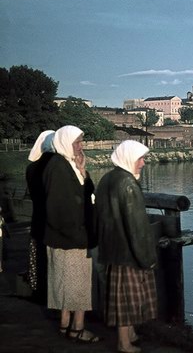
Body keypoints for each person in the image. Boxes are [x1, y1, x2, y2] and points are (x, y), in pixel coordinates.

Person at [95, 140, 157, 353]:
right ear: (130, 158)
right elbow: (136, 225)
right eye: (141, 158)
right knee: (126, 298)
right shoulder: (128, 184)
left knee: (121, 294)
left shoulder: (107, 178)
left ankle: (129, 333)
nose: (143, 163)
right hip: (127, 251)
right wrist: (147, 257)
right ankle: (123, 342)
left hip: (110, 247)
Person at [42, 125, 99, 343]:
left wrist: (83, 171)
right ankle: (77, 328)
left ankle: (65, 324)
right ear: (66, 141)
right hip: (71, 238)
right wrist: (78, 231)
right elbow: (61, 205)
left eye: (82, 141)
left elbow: (86, 191)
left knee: (65, 282)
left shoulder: (66, 164)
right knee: (78, 285)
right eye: (77, 141)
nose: (81, 146)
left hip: (64, 237)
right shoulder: (59, 167)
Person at [25, 129, 56, 304]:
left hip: (37, 217)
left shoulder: (31, 168)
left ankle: (38, 289)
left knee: (38, 257)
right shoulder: (55, 168)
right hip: (51, 220)